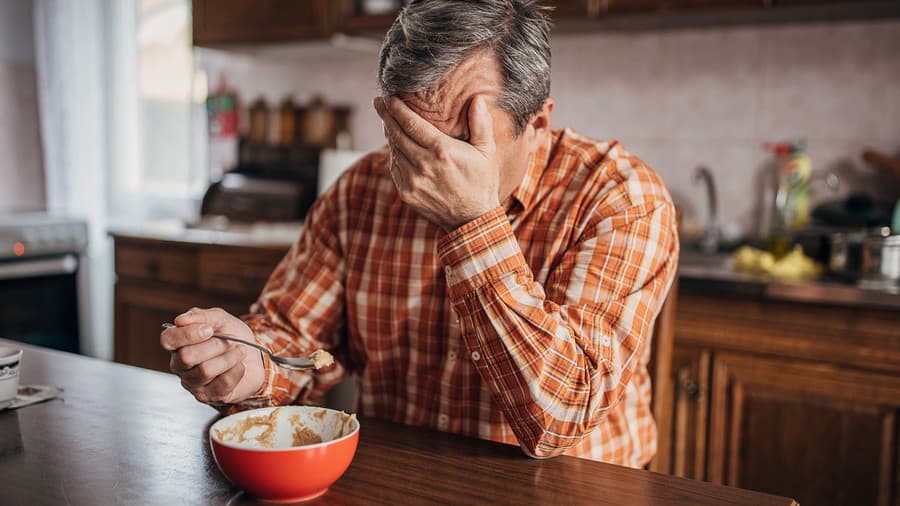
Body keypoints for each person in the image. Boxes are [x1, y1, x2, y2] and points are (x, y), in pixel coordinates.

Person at [160, 0, 678, 466]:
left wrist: (472, 223)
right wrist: (247, 364)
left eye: (460, 143)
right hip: (405, 482)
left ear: (538, 123)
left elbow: (559, 418)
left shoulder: (622, 198)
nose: (429, 169)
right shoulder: (360, 190)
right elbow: (295, 341)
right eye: (407, 138)